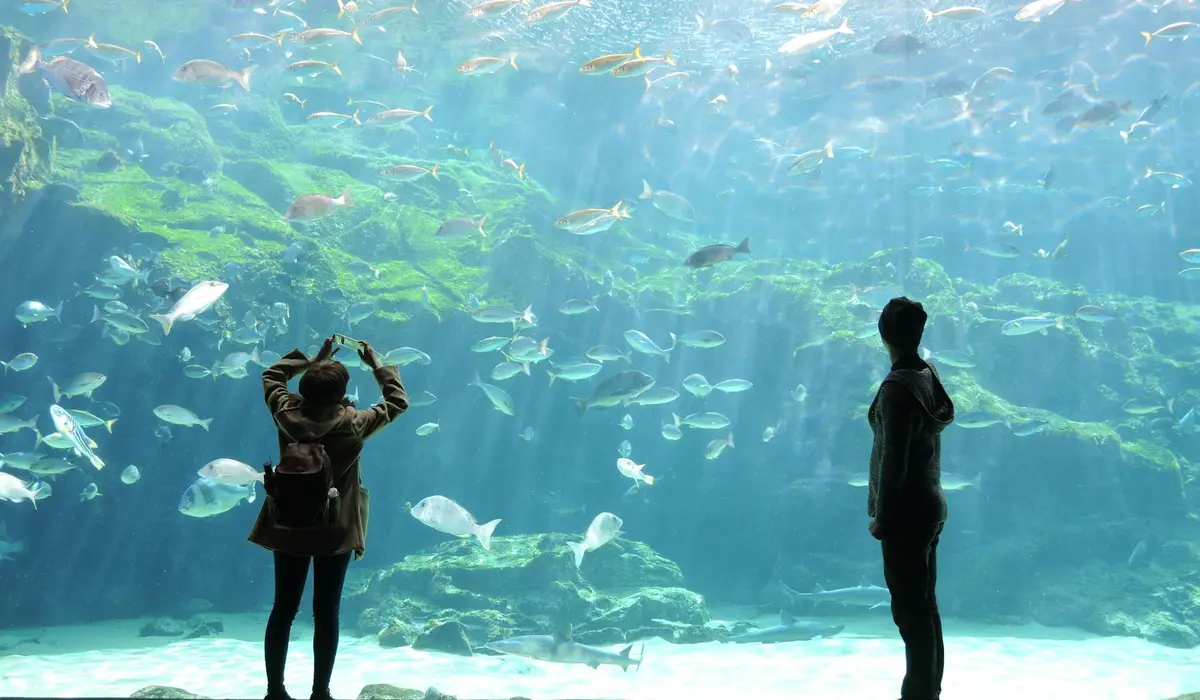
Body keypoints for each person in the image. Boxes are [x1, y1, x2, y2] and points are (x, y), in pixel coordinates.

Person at [249, 336, 409, 700]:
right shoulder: (353, 423)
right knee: (327, 611)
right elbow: (397, 402)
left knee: (283, 608)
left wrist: (310, 359)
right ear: (342, 396)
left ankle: (275, 691)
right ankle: (320, 692)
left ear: (303, 389)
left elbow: (272, 376)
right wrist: (378, 364)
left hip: (287, 525)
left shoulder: (286, 413)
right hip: (335, 530)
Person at [866, 297, 955, 700]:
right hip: (931, 503)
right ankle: (928, 691)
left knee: (910, 612)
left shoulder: (895, 389)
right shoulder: (927, 373)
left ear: (885, 334)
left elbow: (892, 460)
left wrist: (882, 517)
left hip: (905, 513)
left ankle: (918, 695)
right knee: (926, 608)